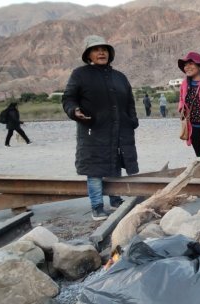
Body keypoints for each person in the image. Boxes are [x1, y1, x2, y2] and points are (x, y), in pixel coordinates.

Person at [62, 35, 139, 221]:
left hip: (120, 129)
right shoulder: (80, 74)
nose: (101, 52)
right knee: (95, 171)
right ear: (88, 55)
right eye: (96, 50)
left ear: (110, 53)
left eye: (104, 49)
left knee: (115, 165)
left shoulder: (120, 77)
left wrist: (132, 119)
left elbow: (130, 101)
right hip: (93, 130)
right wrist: (74, 111)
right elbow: (68, 98)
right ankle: (97, 207)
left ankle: (115, 200)